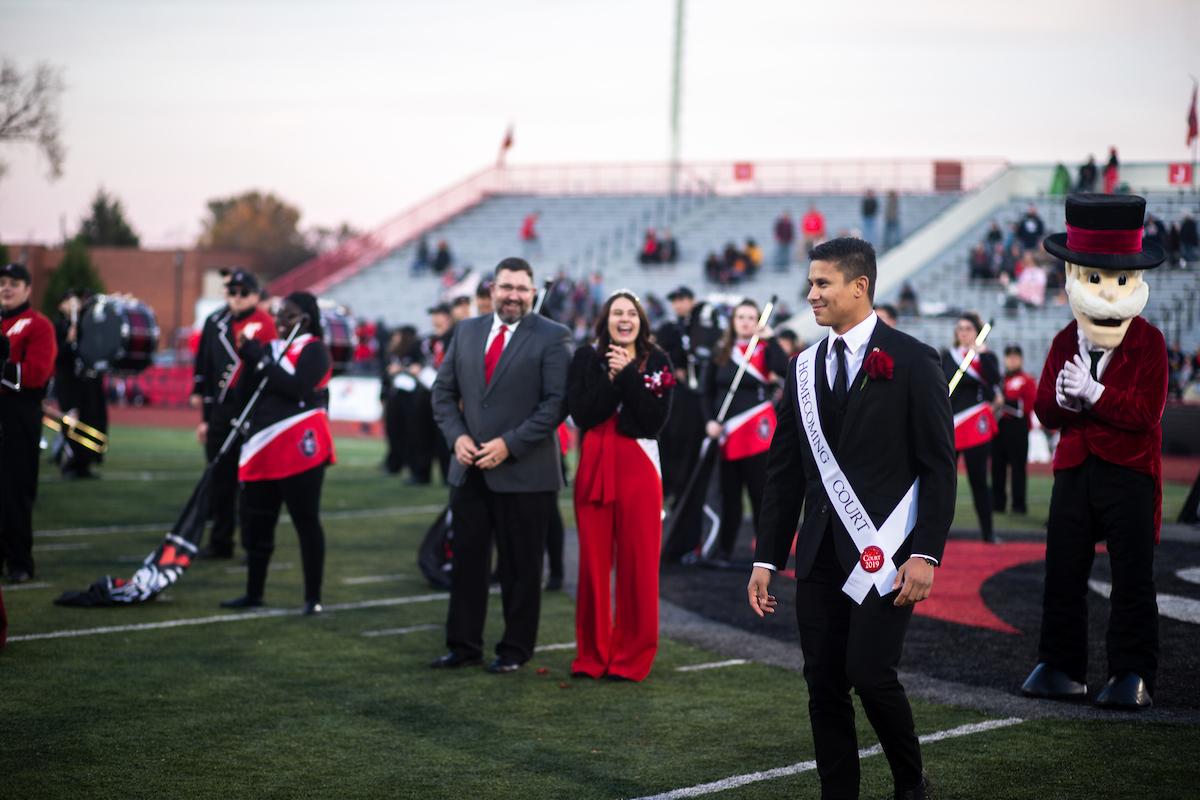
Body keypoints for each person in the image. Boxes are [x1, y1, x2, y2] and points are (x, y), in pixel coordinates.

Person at [748, 237, 955, 800]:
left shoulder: (913, 359)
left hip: (884, 556)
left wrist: (926, 552)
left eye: (822, 283)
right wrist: (767, 556)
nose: (810, 294)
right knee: (823, 684)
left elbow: (939, 467)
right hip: (816, 553)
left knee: (869, 673)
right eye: (811, 283)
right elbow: (784, 471)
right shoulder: (802, 366)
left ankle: (911, 783)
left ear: (859, 286)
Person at [1022, 193, 1167, 710]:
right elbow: (1043, 405)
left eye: (1119, 279)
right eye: (1094, 276)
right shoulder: (1066, 338)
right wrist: (1063, 400)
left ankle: (1132, 672)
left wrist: (1095, 395)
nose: (1107, 290)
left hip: (1129, 472)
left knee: (1132, 577)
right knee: (1062, 571)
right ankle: (1061, 664)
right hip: (1074, 471)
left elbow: (1146, 413)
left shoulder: (1148, 343)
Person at [430, 257, 571, 674]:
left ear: (531, 292)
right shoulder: (467, 331)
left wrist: (509, 445)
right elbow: (442, 393)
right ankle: (463, 645)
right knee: (467, 564)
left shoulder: (553, 336)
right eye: (506, 287)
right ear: (492, 289)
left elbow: (556, 404)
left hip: (526, 472)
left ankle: (515, 649)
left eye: (521, 288)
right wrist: (457, 437)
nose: (513, 295)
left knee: (521, 568)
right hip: (470, 468)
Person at [567, 290, 673, 681]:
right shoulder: (585, 358)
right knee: (593, 567)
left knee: (639, 566)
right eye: (617, 313)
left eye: (631, 313)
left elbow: (652, 421)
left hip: (639, 467)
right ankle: (592, 656)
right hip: (594, 465)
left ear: (641, 321)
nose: (624, 319)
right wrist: (612, 379)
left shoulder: (658, 361)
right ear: (605, 320)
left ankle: (632, 659)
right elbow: (582, 414)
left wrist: (628, 374)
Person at [221, 292, 335, 615]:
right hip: (264, 446)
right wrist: (250, 357)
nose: (280, 321)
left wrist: (260, 359)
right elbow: (246, 391)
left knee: (306, 522)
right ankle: (253, 592)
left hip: (301, 447)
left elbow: (298, 388)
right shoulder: (272, 349)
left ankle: (313, 598)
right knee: (258, 522)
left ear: (306, 320)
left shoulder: (315, 350)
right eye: (279, 314)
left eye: (289, 315)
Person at [190, 269, 276, 559]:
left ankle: (253, 546)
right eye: (232, 292)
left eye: (244, 292)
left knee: (251, 482)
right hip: (221, 408)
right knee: (220, 477)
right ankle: (220, 541)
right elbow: (205, 364)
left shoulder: (265, 324)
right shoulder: (216, 322)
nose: (237, 298)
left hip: (252, 409)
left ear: (255, 295)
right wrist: (205, 415)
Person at [702, 299, 789, 563]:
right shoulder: (721, 350)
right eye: (741, 317)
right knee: (729, 497)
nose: (746, 322)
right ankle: (724, 550)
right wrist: (709, 422)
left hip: (757, 434)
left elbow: (784, 370)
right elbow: (705, 392)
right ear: (733, 321)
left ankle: (765, 555)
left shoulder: (764, 349)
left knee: (760, 495)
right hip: (727, 435)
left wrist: (771, 339)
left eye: (752, 317)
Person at [0, 263, 57, 584]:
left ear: (27, 288)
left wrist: (3, 365)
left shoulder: (39, 325)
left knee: (16, 490)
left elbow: (35, 375)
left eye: (14, 283)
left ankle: (19, 561)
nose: (6, 288)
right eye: (2, 282)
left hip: (19, 413)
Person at [942, 312, 1001, 543]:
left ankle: (988, 533)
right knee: (945, 482)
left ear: (976, 332)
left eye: (967, 328)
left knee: (979, 481)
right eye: (960, 328)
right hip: (951, 423)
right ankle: (938, 535)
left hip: (976, 423)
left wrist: (982, 356)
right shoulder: (948, 356)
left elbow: (995, 380)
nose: (963, 332)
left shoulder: (986, 357)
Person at [52, 290, 106, 479]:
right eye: (67, 301)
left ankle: (84, 464)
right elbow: (57, 357)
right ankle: (68, 462)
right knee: (71, 420)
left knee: (89, 421)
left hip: (84, 383)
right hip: (67, 382)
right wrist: (68, 341)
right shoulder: (57, 327)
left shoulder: (86, 328)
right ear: (61, 306)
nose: (73, 304)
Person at [993, 345, 1037, 515]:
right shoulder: (1001, 380)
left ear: (1021, 359)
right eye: (1009, 357)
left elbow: (1026, 406)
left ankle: (1019, 505)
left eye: (1015, 357)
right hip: (999, 428)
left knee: (1018, 468)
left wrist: (1002, 402)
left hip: (1018, 428)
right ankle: (998, 504)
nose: (1012, 360)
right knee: (997, 467)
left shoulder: (1027, 380)